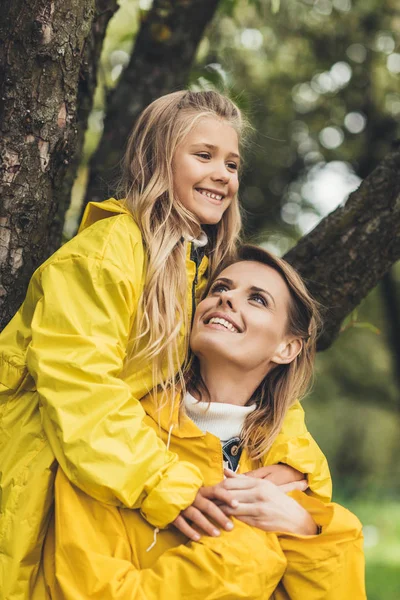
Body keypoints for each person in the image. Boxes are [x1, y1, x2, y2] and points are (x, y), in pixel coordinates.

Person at [0, 91, 327, 600]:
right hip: (46, 464)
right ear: (158, 158)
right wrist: (170, 485)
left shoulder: (199, 274)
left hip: (118, 465)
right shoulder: (103, 257)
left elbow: (262, 389)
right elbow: (80, 389)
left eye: (233, 163)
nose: (223, 174)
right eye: (204, 155)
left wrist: (294, 468)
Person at [35, 246, 365, 599]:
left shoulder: (291, 468)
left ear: (286, 348)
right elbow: (88, 590)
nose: (226, 299)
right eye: (220, 288)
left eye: (257, 299)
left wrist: (303, 527)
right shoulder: (116, 439)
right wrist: (248, 552)